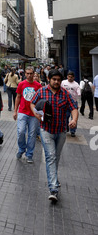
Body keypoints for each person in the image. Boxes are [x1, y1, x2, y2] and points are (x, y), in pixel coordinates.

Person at [31, 69, 78, 202]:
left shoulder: (65, 94)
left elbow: (74, 108)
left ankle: (54, 178)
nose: (56, 82)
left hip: (62, 131)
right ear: (49, 79)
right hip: (46, 130)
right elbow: (32, 103)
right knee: (50, 157)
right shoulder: (41, 91)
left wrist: (74, 120)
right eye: (54, 79)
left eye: (58, 80)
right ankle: (53, 188)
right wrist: (36, 114)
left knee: (56, 157)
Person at [13, 66, 41, 163]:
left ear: (34, 74)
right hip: (22, 112)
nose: (29, 75)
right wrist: (15, 111)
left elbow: (41, 100)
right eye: (27, 73)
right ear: (25, 74)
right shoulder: (21, 84)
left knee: (32, 135)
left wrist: (40, 113)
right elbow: (18, 97)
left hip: (33, 114)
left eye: (31, 73)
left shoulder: (38, 86)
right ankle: (21, 149)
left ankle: (29, 154)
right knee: (21, 132)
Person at [61, 71, 81, 136]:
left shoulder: (76, 84)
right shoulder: (63, 82)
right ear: (67, 77)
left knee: (74, 117)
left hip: (73, 102)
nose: (70, 78)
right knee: (65, 116)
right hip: (65, 102)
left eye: (71, 77)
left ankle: (73, 131)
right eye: (69, 77)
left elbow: (79, 92)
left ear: (73, 77)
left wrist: (78, 94)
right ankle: (66, 127)